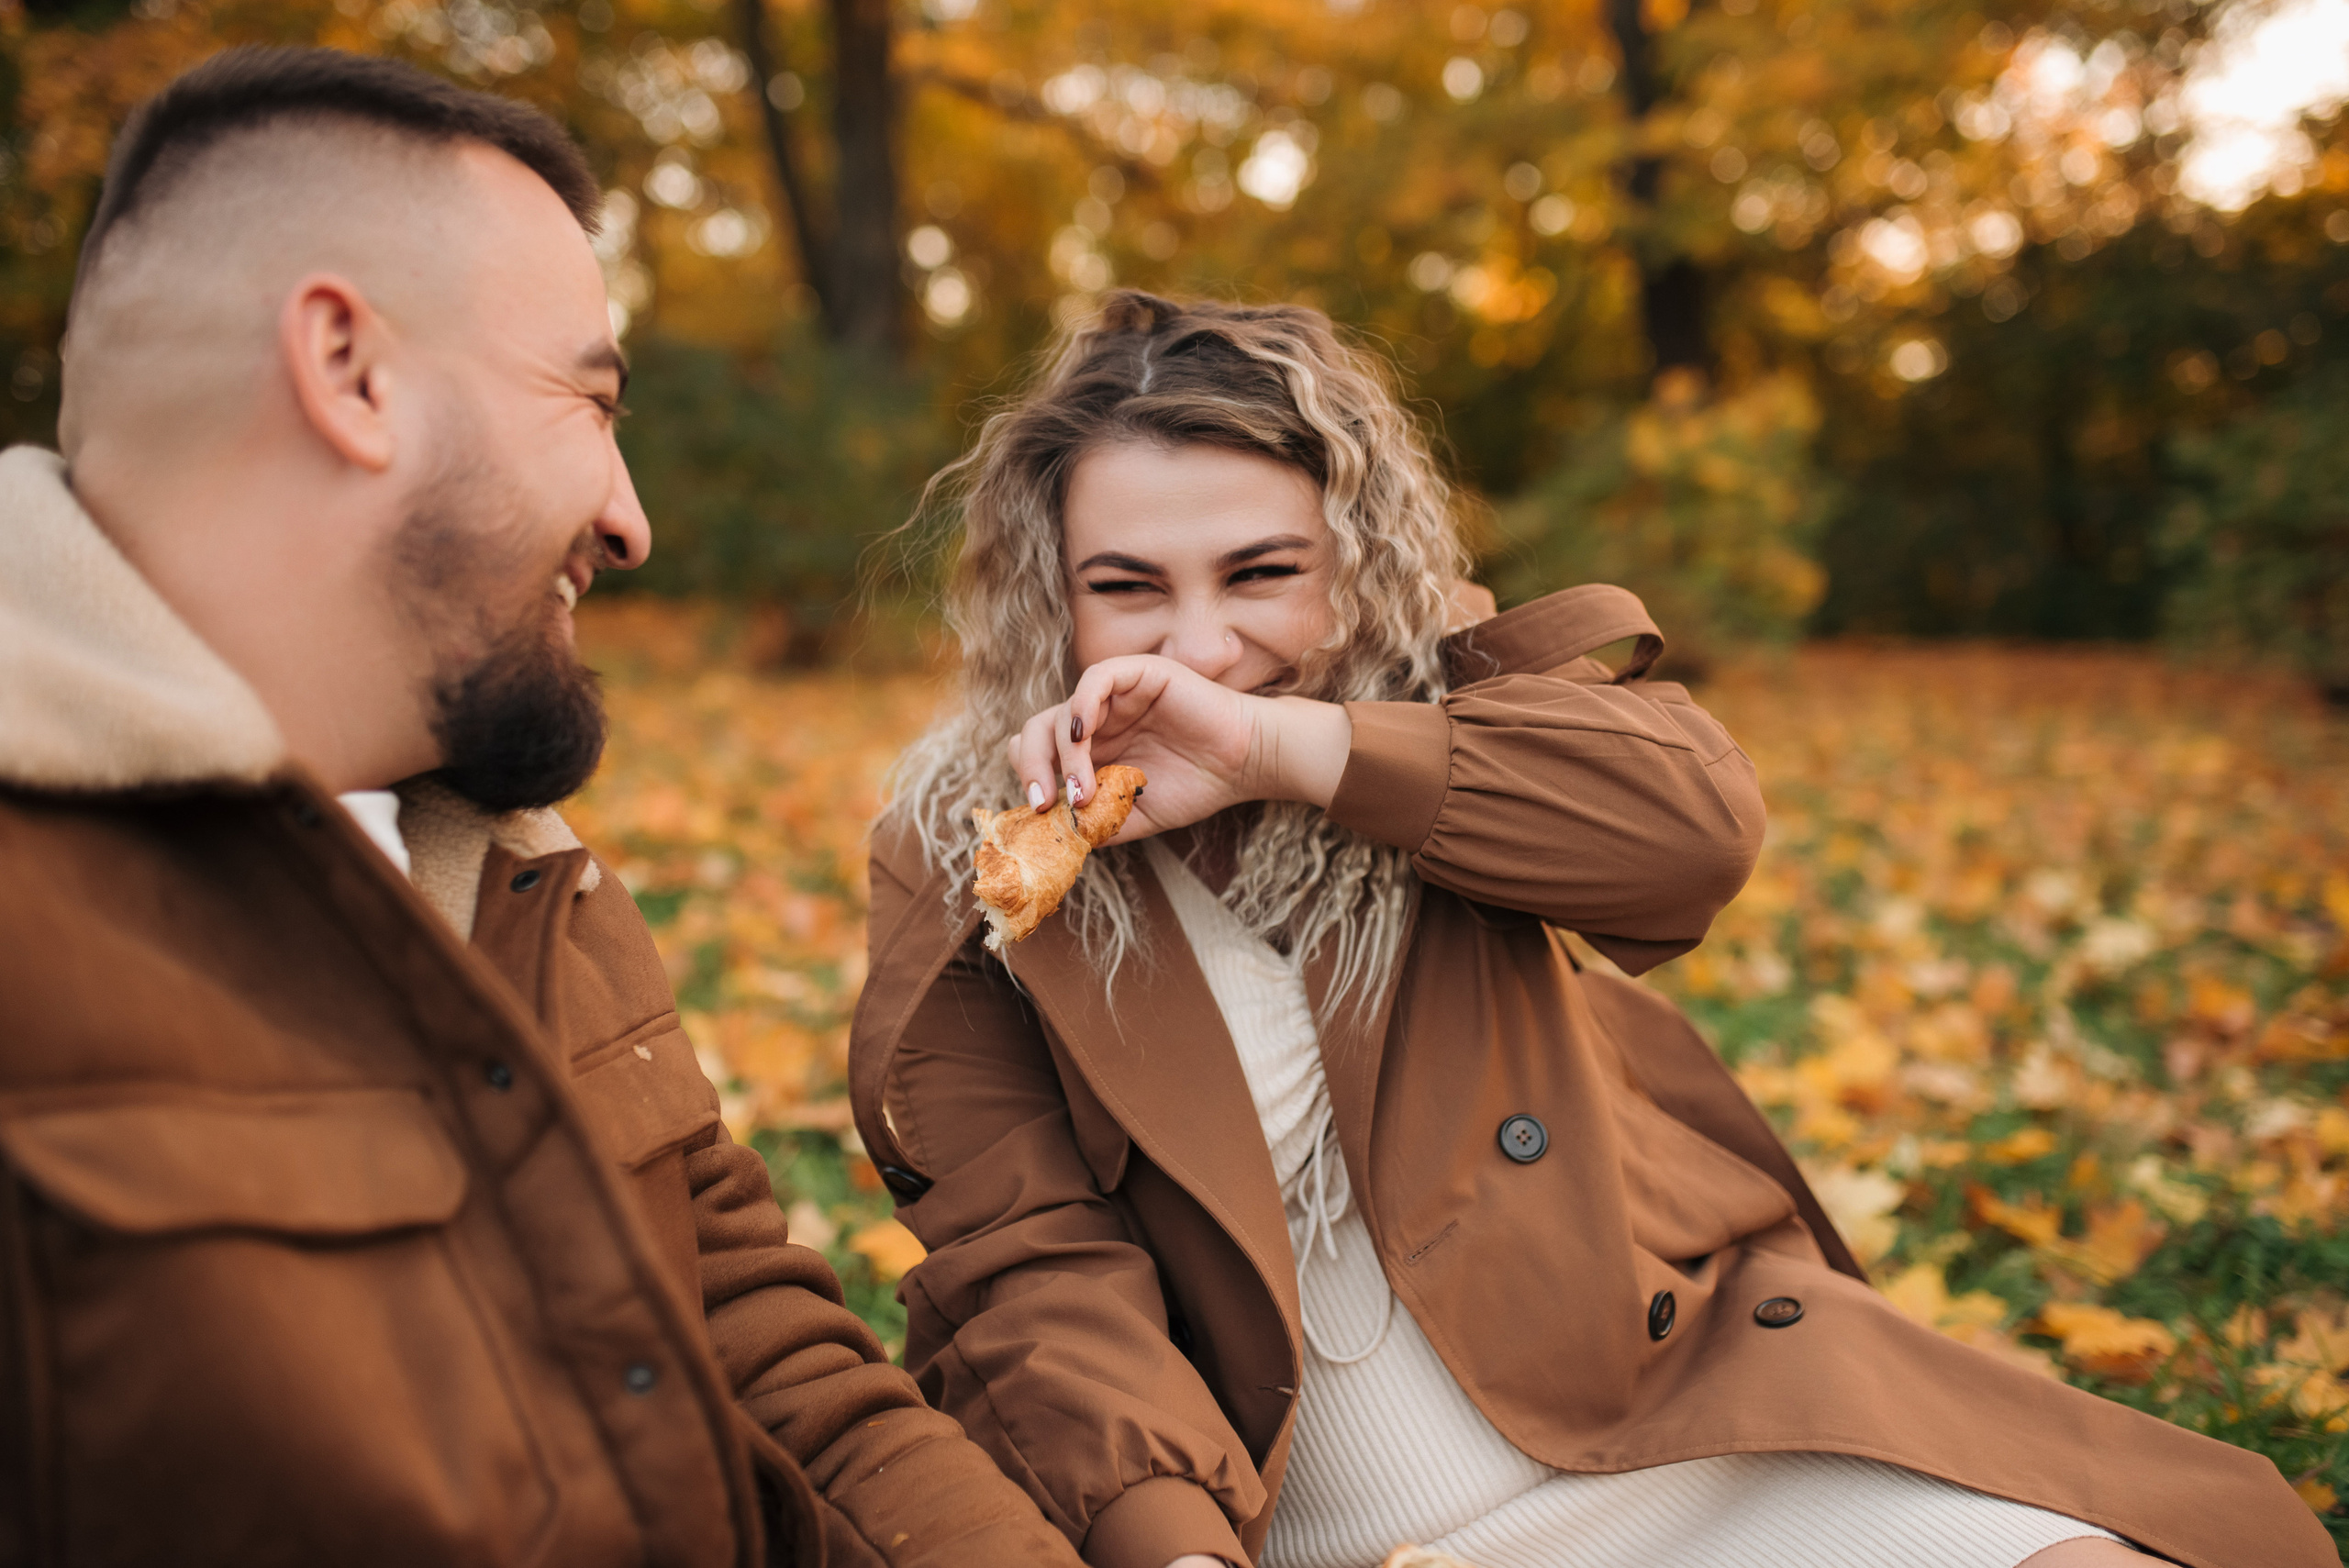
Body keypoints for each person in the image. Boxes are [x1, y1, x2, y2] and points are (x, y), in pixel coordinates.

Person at [847, 291, 2330, 1568]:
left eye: (1260, 574)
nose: (1199, 646)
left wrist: (1281, 749)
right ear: (1051, 593)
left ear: (1351, 563)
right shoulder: (970, 846)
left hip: (1661, 1418)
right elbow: (1029, 1256)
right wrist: (1169, 1541)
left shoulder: (1449, 716)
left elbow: (1691, 837)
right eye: (1128, 590)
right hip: (1286, 1512)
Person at [0, 46, 1081, 1567]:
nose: (633, 521)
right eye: (588, 400)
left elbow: (759, 1352)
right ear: (350, 371)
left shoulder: (523, 867)